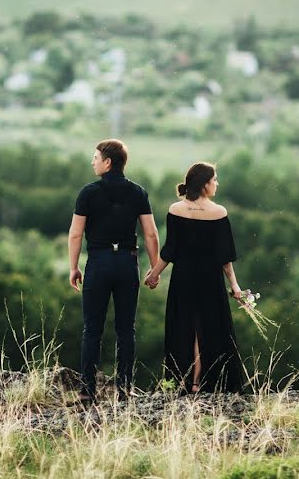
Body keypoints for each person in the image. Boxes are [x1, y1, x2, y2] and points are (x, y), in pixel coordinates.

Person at [68, 139, 160, 403]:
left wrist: (74, 267)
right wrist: (154, 269)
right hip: (127, 263)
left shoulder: (88, 192)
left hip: (99, 262)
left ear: (108, 162)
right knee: (125, 329)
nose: (92, 161)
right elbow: (151, 234)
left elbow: (76, 234)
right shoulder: (138, 192)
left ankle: (87, 391)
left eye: (96, 157)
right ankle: (125, 389)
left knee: (92, 329)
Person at [144, 162, 246, 394]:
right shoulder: (219, 213)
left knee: (184, 326)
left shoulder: (176, 210)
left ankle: (185, 381)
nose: (216, 183)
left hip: (184, 277)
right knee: (209, 327)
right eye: (214, 180)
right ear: (204, 184)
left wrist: (154, 274)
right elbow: (224, 258)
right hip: (210, 279)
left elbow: (170, 250)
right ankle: (203, 381)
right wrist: (235, 286)